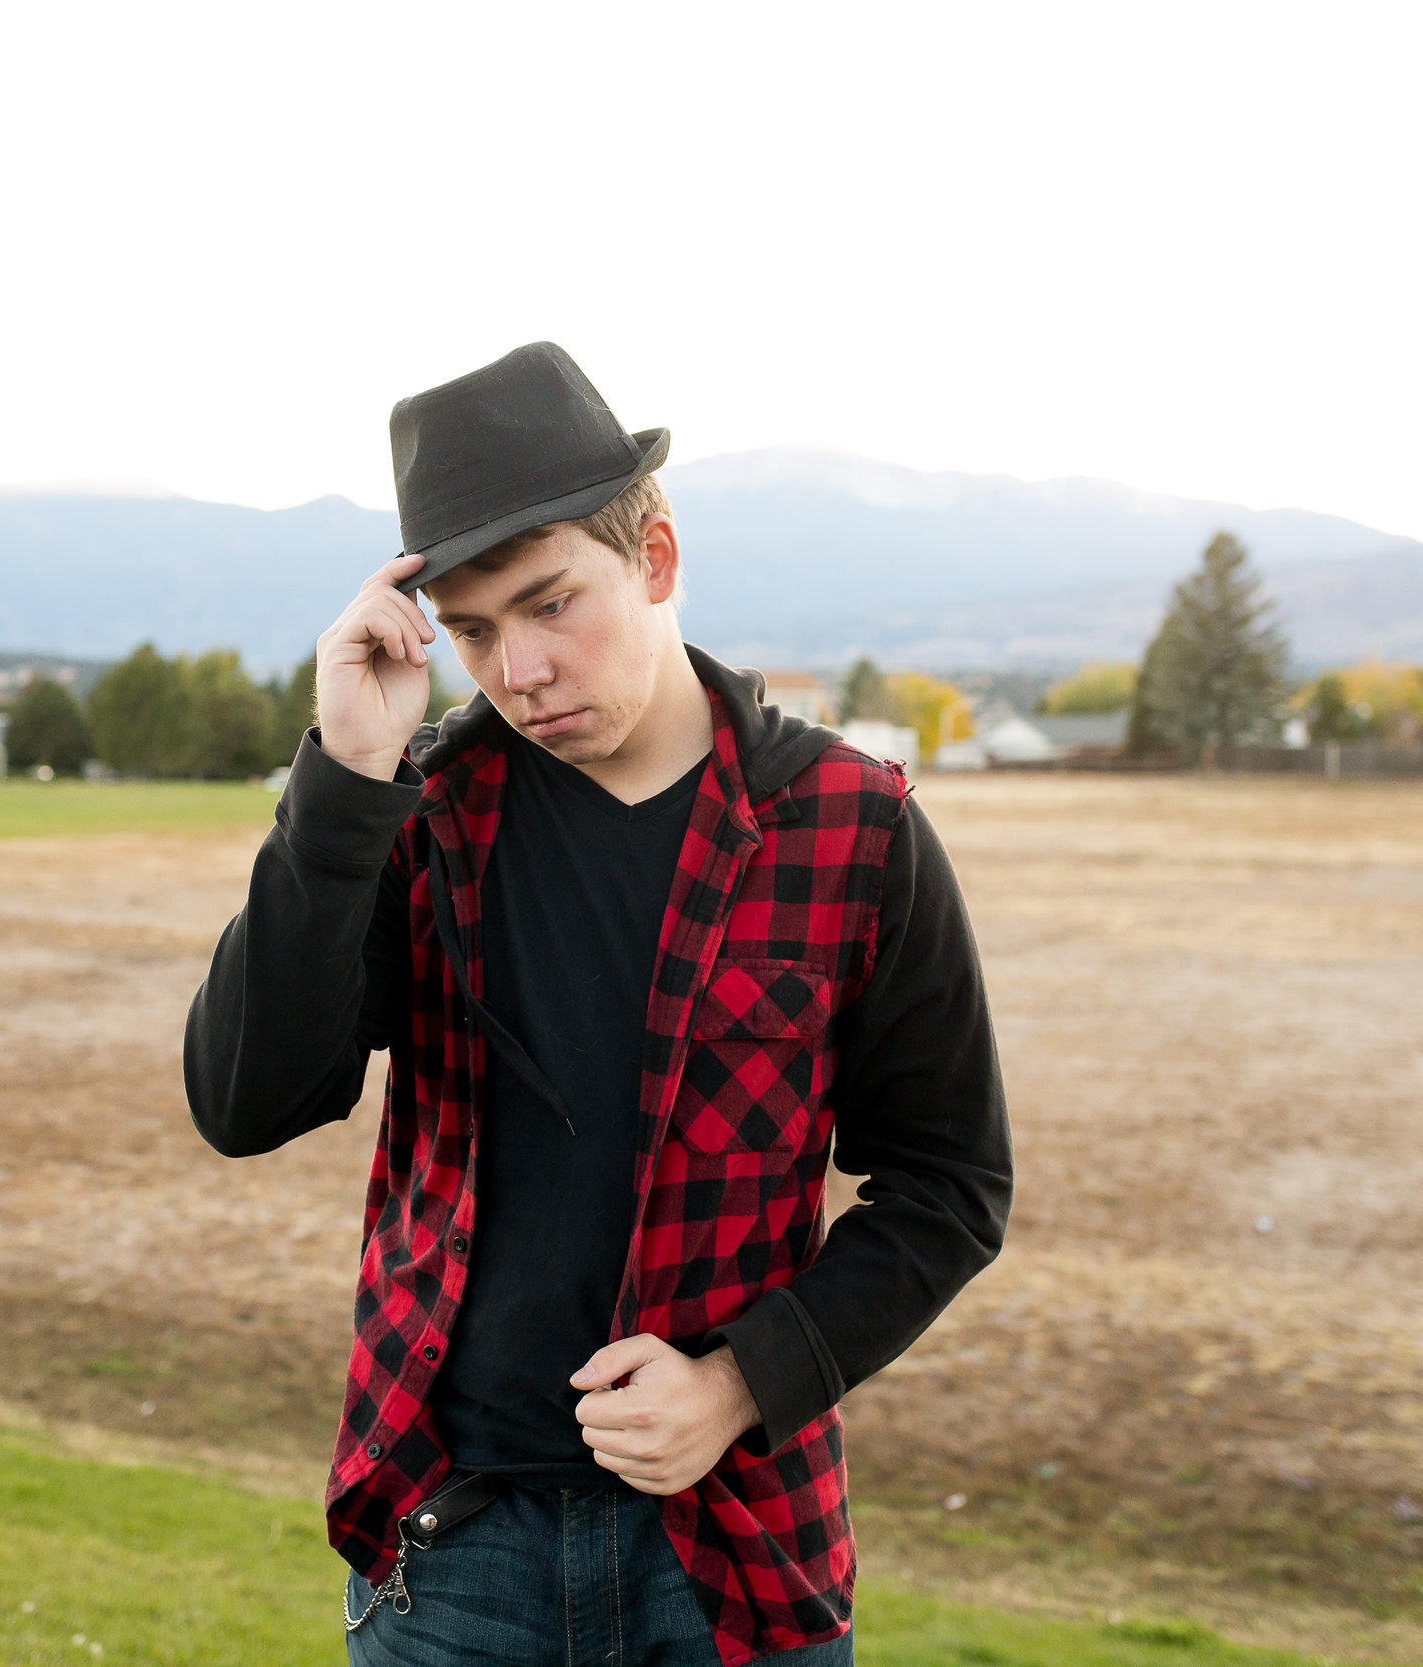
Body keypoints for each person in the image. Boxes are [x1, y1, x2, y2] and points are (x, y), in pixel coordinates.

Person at [185, 342, 1012, 1666]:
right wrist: (345, 777)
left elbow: (950, 1183)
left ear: (658, 559)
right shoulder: (419, 818)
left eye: (551, 603)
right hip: (456, 1553)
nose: (518, 669)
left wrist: (740, 1384)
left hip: (737, 1559)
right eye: (469, 630)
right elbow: (245, 1104)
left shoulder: (851, 825)